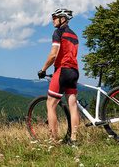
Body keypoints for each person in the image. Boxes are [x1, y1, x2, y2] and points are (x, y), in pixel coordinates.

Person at [38, 8, 79, 145]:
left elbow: (54, 54)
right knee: (72, 105)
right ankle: (73, 140)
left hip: (62, 71)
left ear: (62, 18)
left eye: (54, 17)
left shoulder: (58, 32)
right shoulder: (74, 35)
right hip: (74, 71)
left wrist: (43, 70)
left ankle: (53, 140)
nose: (52, 20)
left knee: (50, 104)